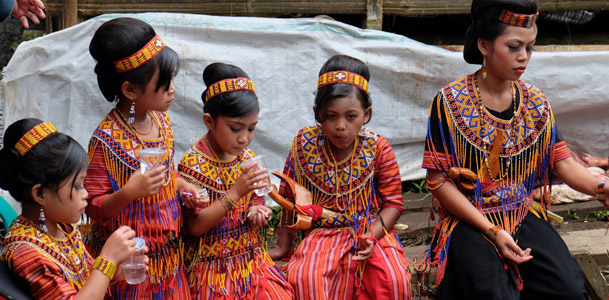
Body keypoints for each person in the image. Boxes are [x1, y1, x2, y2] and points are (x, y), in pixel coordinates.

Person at [422, 0, 609, 299]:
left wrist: (601, 187)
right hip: (469, 218)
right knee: (495, 293)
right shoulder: (449, 102)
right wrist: (493, 232)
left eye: (530, 47)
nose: (524, 57)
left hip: (520, 212)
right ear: (484, 45)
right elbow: (437, 181)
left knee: (569, 289)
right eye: (514, 47)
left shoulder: (535, 101)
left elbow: (562, 163)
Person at [269, 55, 411, 299]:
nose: (341, 126)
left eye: (351, 116)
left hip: (368, 230)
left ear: (366, 114)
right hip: (321, 234)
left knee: (392, 279)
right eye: (331, 116)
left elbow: (393, 204)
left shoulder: (378, 148)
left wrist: (371, 236)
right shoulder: (304, 144)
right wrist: (284, 246)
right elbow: (288, 198)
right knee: (307, 279)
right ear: (317, 114)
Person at [85, 17, 200, 299]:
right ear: (130, 90)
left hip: (169, 259)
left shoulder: (162, 122)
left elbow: (167, 175)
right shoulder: (106, 140)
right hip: (132, 265)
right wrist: (129, 192)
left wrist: (185, 188)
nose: (173, 88)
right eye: (164, 83)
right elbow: (92, 207)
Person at [178, 62, 294, 299]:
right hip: (211, 267)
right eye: (235, 128)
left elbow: (255, 201)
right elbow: (194, 227)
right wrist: (234, 193)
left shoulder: (248, 158)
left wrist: (258, 212)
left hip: (251, 260)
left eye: (252, 129)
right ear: (209, 121)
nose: (244, 138)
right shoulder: (193, 164)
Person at [0, 118, 143, 299]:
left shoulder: (63, 228)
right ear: (40, 194)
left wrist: (115, 272)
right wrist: (108, 260)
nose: (86, 194)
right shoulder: (26, 252)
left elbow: (88, 281)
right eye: (77, 186)